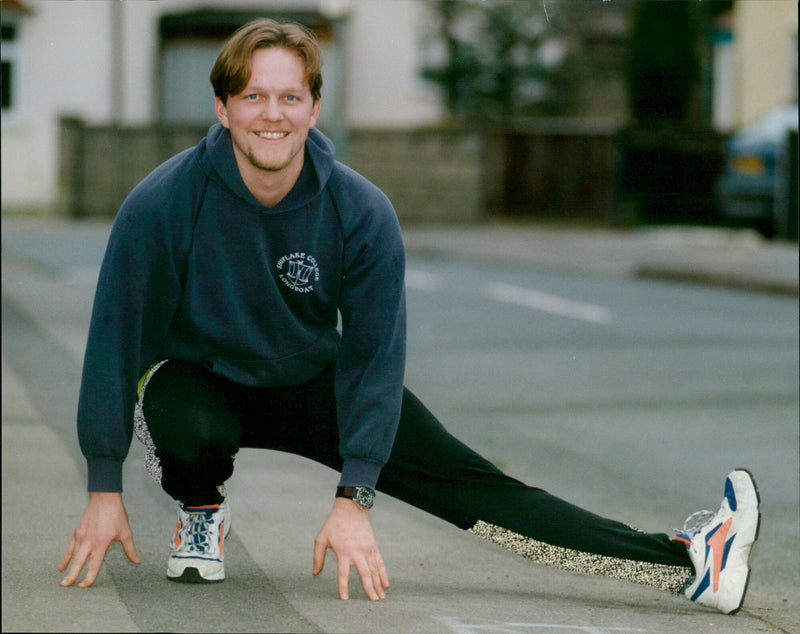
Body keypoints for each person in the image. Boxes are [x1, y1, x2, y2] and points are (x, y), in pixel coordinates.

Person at [59, 18, 760, 614]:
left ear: (314, 107)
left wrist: (355, 495)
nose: (272, 114)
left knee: (478, 486)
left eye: (290, 97)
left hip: (315, 382)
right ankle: (200, 512)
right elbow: (116, 344)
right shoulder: (161, 204)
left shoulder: (359, 211)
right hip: (200, 380)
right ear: (223, 108)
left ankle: (689, 560)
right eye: (253, 97)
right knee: (185, 421)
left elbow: (372, 357)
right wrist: (102, 486)